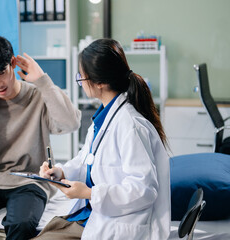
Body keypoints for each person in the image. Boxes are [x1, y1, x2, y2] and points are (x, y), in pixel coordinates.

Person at [36, 38, 171, 240]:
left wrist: (89, 194)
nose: (79, 81)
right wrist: (61, 171)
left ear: (99, 82)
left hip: (121, 226)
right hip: (95, 216)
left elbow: (144, 191)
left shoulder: (129, 125)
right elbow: (87, 160)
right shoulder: (106, 115)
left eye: (81, 76)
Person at [0, 32, 81, 240]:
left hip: (30, 181)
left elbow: (70, 123)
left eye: (1, 72)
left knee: (21, 225)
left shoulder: (38, 95)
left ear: (12, 63)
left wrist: (43, 82)